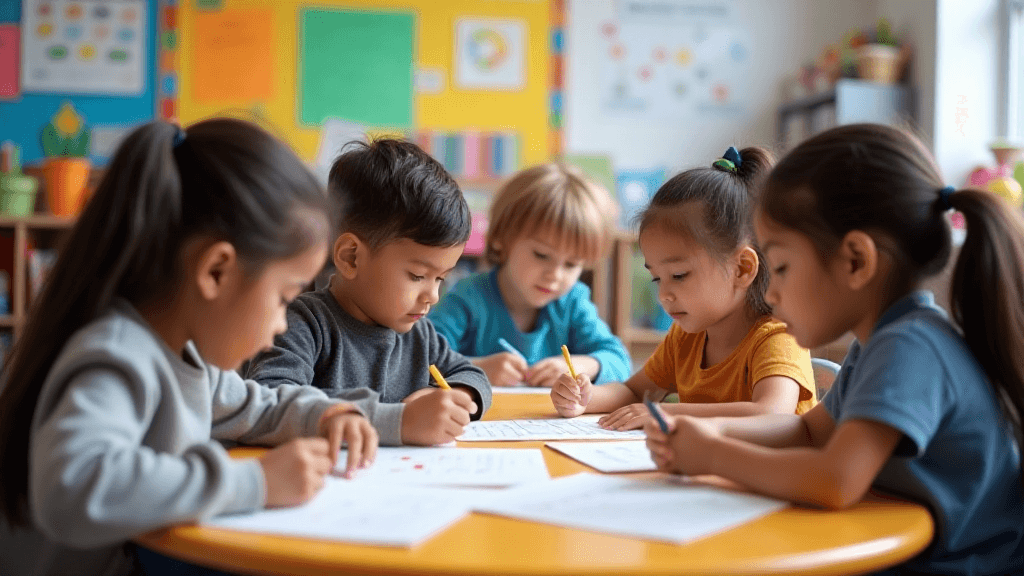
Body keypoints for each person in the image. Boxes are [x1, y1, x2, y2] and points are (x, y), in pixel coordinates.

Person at [0, 119, 378, 576]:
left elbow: (259, 407)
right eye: (283, 297)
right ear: (216, 271)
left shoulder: (185, 355)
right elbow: (73, 486)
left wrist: (327, 413)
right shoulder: (118, 355)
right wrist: (254, 482)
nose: (281, 325)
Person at [646, 124, 1024, 575]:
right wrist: (718, 435)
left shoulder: (911, 348)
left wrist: (712, 456)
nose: (770, 294)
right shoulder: (881, 343)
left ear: (855, 261)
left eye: (781, 266)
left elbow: (836, 481)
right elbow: (807, 432)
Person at [244, 138, 490, 447]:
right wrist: (399, 419)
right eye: (417, 275)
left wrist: (455, 396)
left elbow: (471, 374)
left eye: (440, 278)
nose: (432, 296)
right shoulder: (304, 324)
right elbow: (268, 398)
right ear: (351, 257)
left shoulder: (420, 335)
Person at [552, 147, 815, 430]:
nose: (663, 294)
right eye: (657, 278)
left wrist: (667, 413)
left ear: (742, 269)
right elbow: (633, 391)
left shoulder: (779, 337)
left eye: (678, 275)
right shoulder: (685, 338)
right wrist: (585, 397)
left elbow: (772, 414)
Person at [429, 163, 631, 388]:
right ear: (502, 238)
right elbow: (420, 356)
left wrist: (580, 365)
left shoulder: (572, 302)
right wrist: (478, 368)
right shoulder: (469, 297)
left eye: (572, 264)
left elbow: (621, 363)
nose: (555, 275)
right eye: (541, 255)